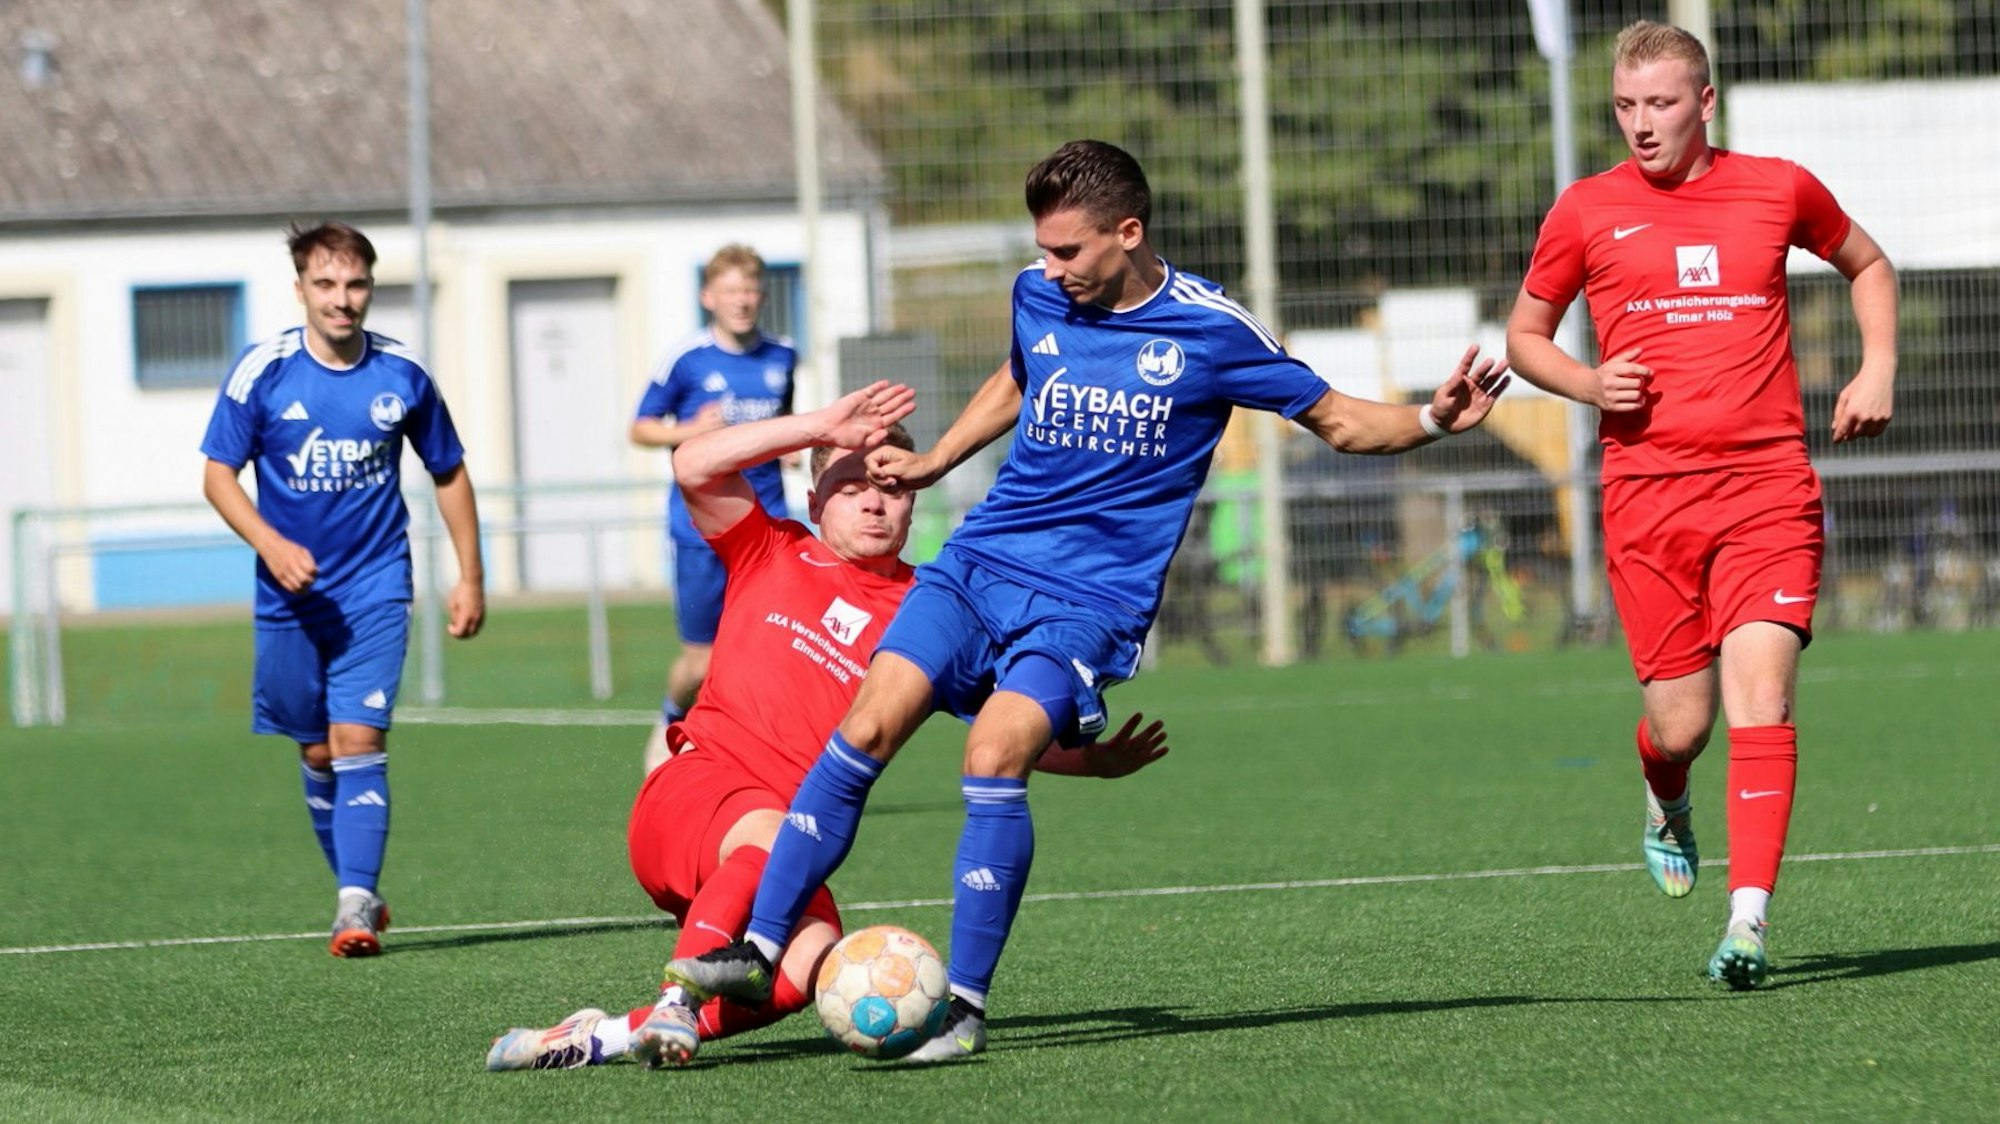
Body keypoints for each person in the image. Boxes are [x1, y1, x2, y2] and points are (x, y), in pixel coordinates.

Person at [663, 138, 1509, 1060]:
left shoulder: (1211, 330)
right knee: (869, 722)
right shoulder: (1039, 296)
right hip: (981, 564)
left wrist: (1431, 418)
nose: (1049, 268)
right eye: (1044, 249)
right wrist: (941, 456)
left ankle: (966, 1010)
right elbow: (1021, 375)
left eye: (1068, 250)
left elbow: (1343, 421)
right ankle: (760, 948)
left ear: (1128, 233)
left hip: (1087, 603)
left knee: (994, 752)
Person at [485, 383, 1169, 1071]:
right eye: (850, 486)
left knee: (807, 972)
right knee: (767, 842)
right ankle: (678, 1002)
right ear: (813, 504)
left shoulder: (931, 611)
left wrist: (1091, 762)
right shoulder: (770, 548)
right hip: (690, 800)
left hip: (787, 847)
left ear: (913, 500)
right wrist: (819, 424)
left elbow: (1003, 730)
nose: (874, 501)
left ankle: (597, 1038)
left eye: (891, 488)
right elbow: (693, 464)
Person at [1504, 21, 1896, 989]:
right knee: (1680, 724)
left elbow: (1867, 262)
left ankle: (1747, 921)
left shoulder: (1776, 187)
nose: (1640, 125)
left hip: (1767, 487)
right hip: (1647, 503)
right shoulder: (1585, 209)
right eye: (1624, 107)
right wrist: (1588, 384)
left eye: (1661, 104)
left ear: (1704, 103)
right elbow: (1523, 335)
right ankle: (1661, 785)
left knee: (1758, 693)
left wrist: (1874, 366)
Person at [200, 221, 487, 958]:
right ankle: (357, 890)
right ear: (300, 289)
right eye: (325, 285)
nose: (342, 300)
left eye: (355, 284)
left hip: (376, 586)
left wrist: (471, 576)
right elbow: (217, 477)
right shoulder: (261, 372)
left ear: (371, 287)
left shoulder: (403, 375)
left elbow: (448, 472)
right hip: (288, 596)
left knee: (358, 738)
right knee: (317, 752)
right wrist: (270, 542)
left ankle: (354, 903)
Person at [630, 244, 796, 768]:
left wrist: (789, 452)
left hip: (767, 530)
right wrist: (689, 432)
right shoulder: (687, 359)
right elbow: (639, 427)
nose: (741, 301)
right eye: (730, 291)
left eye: (749, 290)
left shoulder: (783, 356)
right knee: (701, 662)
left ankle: (756, 754)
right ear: (708, 297)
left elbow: (782, 420)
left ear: (762, 295)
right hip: (700, 530)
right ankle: (670, 717)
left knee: (770, 647)